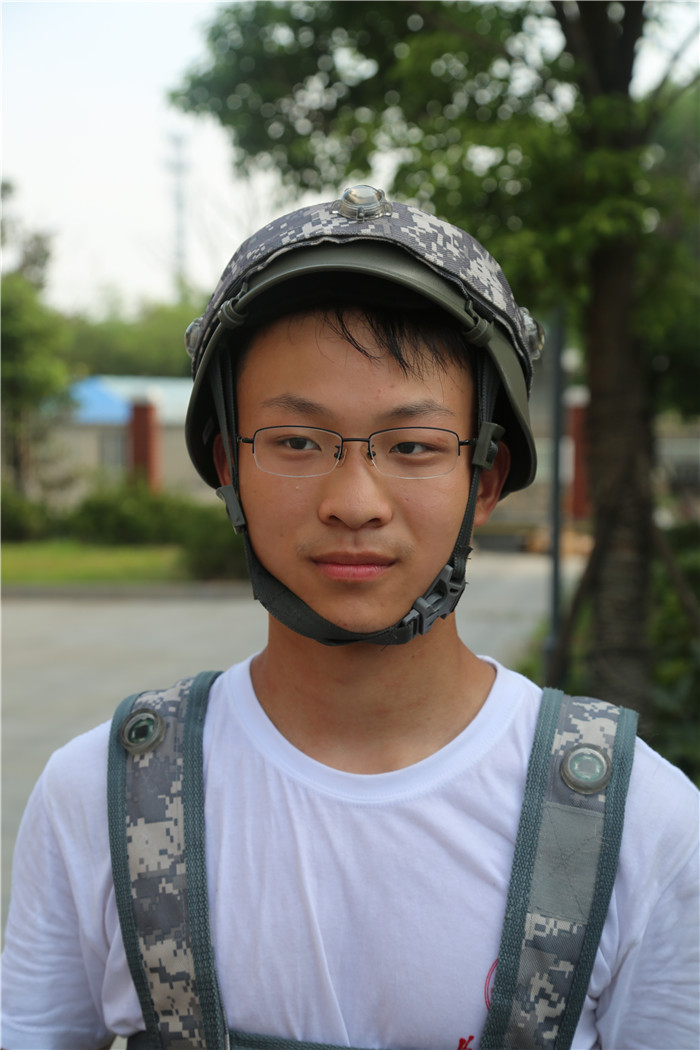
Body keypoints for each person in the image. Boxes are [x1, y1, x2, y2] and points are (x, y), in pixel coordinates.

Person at [2, 185, 698, 1050]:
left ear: (484, 479)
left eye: (413, 447)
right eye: (297, 442)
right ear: (228, 467)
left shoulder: (636, 825)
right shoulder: (101, 800)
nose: (355, 501)